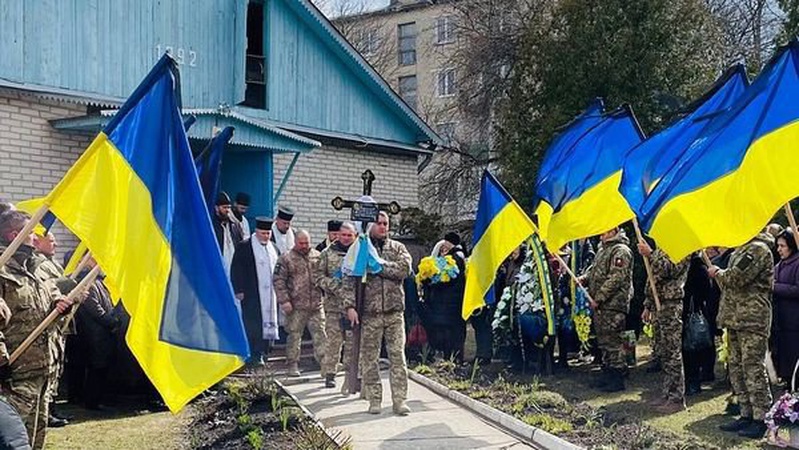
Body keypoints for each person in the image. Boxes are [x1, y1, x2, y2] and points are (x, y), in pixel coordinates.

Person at [0, 211, 72, 449]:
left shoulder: (35, 269)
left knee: (36, 436)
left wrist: (59, 305)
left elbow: (47, 300)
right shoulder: (3, 269)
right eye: (31, 231)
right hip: (14, 374)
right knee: (13, 440)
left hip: (41, 367)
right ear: (14, 235)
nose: (35, 236)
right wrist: (2, 362)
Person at [344, 212, 412, 415]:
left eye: (386, 224)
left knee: (397, 357)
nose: (383, 227)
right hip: (370, 314)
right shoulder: (360, 249)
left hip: (394, 313)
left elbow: (404, 269)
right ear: (370, 226)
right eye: (379, 223)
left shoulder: (397, 248)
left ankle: (400, 400)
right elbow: (349, 279)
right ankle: (374, 400)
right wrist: (349, 306)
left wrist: (378, 266)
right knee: (369, 359)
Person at [711, 232, 774, 439]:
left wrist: (718, 272)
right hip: (735, 318)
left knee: (752, 368)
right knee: (736, 368)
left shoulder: (757, 249)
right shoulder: (740, 249)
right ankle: (746, 413)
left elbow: (736, 278)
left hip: (752, 319)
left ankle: (762, 418)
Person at [638, 242, 690, 413]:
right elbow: (652, 277)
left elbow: (671, 269)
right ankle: (667, 393)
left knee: (672, 351)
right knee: (663, 351)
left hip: (671, 303)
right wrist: (648, 304)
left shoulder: (682, 246)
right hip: (658, 302)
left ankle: (677, 398)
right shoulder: (662, 248)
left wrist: (650, 254)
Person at [583, 227, 633, 392]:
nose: (601, 235)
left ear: (613, 230)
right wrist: (584, 279)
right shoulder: (603, 249)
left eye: (604, 232)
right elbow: (595, 271)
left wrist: (599, 297)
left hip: (613, 304)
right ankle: (608, 374)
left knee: (613, 342)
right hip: (601, 306)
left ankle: (617, 378)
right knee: (604, 341)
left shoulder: (620, 251)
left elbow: (616, 278)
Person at [31, 232, 71, 428]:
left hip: (57, 326)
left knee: (56, 368)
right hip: (41, 328)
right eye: (51, 241)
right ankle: (47, 411)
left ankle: (51, 409)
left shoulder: (52, 263)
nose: (55, 244)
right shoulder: (39, 264)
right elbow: (48, 288)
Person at [274, 230, 326, 377]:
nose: (304, 246)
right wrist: (284, 300)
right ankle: (292, 363)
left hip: (316, 305)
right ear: (295, 242)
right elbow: (278, 281)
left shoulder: (317, 256)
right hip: (296, 306)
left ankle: (325, 362)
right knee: (294, 335)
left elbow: (324, 276)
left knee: (321, 334)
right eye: (301, 243)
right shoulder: (286, 258)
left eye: (306, 243)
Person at [230, 218, 280, 366]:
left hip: (271, 295)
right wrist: (239, 289)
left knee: (268, 321)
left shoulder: (274, 248)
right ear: (256, 232)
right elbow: (236, 269)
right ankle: (253, 354)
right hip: (252, 293)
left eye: (268, 233)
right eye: (263, 233)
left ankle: (265, 351)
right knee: (253, 323)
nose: (266, 236)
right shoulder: (245, 246)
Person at [314, 222, 356, 390]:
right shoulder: (327, 253)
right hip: (333, 306)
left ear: (354, 236)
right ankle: (330, 374)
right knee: (333, 342)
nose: (346, 238)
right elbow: (318, 277)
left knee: (352, 343)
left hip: (354, 307)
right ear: (338, 235)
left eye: (349, 235)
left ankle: (350, 375)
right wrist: (333, 285)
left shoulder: (359, 253)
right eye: (343, 235)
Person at [74, 258, 119, 410]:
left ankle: (98, 399)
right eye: (94, 260)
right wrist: (112, 322)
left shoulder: (99, 283)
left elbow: (107, 305)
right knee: (96, 368)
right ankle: (92, 401)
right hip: (94, 334)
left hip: (102, 334)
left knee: (101, 368)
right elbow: (96, 310)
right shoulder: (88, 285)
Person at [422, 232, 467, 361]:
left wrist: (430, 282)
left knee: (450, 330)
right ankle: (454, 356)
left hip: (449, 300)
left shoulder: (454, 258)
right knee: (454, 329)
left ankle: (451, 357)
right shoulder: (460, 255)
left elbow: (447, 278)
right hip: (454, 299)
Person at [682, 253, 715, 396]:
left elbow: (705, 291)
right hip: (688, 312)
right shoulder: (692, 266)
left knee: (692, 349)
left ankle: (694, 382)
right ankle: (690, 380)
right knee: (688, 350)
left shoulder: (697, 267)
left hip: (693, 312)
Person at [772, 229, 799, 388]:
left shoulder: (797, 264)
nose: (779, 249)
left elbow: (797, 289)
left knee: (794, 352)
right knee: (785, 354)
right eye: (778, 246)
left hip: (794, 319)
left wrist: (775, 287)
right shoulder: (779, 265)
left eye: (783, 246)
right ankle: (788, 381)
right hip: (781, 319)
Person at [212, 191, 243, 275]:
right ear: (216, 208)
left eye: (229, 207)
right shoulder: (212, 226)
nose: (227, 210)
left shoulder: (234, 225)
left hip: (234, 268)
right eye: (224, 207)